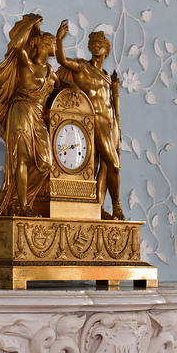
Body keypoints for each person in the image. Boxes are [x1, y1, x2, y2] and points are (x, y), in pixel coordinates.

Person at [55, 20, 124, 220]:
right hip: (96, 121)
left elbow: (111, 103)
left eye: (99, 42)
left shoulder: (106, 76)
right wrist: (59, 40)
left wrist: (118, 123)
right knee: (114, 164)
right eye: (92, 42)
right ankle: (117, 205)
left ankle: (99, 208)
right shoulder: (83, 67)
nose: (95, 45)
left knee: (105, 167)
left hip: (111, 122)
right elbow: (63, 61)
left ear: (106, 50)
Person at [0, 14, 59, 217]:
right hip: (22, 110)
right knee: (22, 158)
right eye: (54, 43)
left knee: (45, 163)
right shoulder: (26, 64)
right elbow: (16, 46)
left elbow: (62, 85)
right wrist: (31, 23)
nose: (56, 47)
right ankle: (23, 206)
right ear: (45, 45)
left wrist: (74, 88)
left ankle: (16, 198)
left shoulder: (50, 71)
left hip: (38, 115)